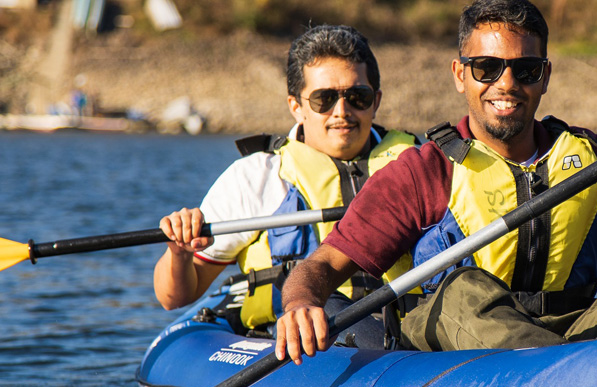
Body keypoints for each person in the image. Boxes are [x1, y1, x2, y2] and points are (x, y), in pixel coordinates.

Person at [274, 0, 597, 363]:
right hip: (455, 347)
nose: (506, 84)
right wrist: (299, 304)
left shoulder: (594, 156)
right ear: (461, 75)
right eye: (486, 68)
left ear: (545, 77)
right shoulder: (421, 172)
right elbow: (323, 267)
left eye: (525, 70)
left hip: (575, 333)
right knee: (462, 289)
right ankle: (567, 378)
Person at [154, 24, 417, 347]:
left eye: (357, 97)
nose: (342, 111)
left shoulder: (418, 163)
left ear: (375, 101)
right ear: (296, 106)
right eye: (324, 99)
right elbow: (174, 297)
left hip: (410, 324)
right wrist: (178, 253)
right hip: (309, 333)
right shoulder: (258, 176)